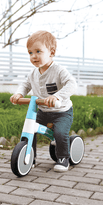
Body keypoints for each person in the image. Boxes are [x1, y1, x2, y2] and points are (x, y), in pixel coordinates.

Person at [10, 30, 77, 172]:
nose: (33, 56)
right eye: (30, 53)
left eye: (38, 51)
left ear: (51, 52)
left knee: (59, 133)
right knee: (30, 128)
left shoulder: (59, 70)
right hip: (43, 111)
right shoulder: (33, 73)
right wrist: (18, 94)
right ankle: (30, 156)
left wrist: (57, 97)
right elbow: (25, 85)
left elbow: (72, 84)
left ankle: (64, 158)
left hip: (61, 112)